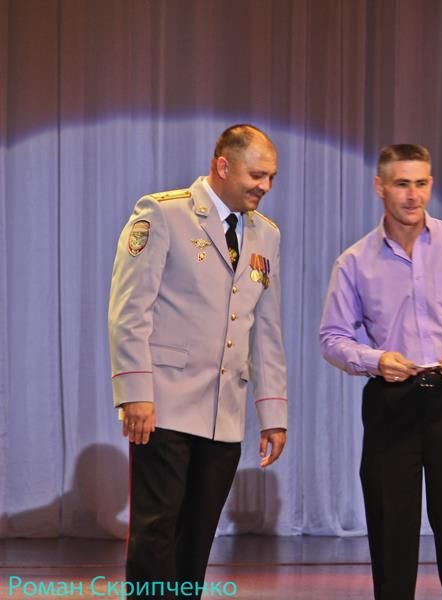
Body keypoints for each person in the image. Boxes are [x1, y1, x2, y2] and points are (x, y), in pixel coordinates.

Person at [319, 144, 442, 599]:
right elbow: (332, 338)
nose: (413, 195)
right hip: (392, 400)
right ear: (380, 186)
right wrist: (376, 360)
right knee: (391, 528)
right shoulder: (355, 261)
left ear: (431, 184)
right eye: (402, 184)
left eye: (421, 183)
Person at [108, 124, 288, 597]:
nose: (264, 186)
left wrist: (273, 413)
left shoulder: (266, 235)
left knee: (198, 536)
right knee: (156, 532)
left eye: (271, 177)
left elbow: (265, 330)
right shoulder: (164, 213)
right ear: (223, 165)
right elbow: (130, 310)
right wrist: (135, 393)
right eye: (256, 175)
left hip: (223, 412)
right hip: (164, 406)